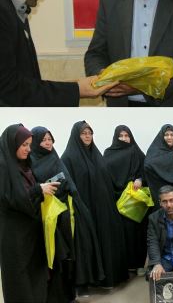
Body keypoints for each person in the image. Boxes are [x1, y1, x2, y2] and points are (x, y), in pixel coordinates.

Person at [0, 0, 115, 107]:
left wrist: (73, 86)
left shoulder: (15, 6)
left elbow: (25, 83)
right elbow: (9, 89)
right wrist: (77, 89)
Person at [31, 126, 104, 299]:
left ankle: (77, 285)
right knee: (57, 253)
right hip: (49, 213)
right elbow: (36, 186)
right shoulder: (31, 161)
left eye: (50, 139)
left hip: (67, 207)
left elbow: (68, 180)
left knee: (76, 246)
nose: (48, 143)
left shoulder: (55, 157)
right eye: (44, 140)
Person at [61, 121, 128, 288]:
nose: (87, 136)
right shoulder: (68, 158)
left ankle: (110, 278)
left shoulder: (97, 155)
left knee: (107, 240)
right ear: (76, 135)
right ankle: (93, 281)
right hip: (85, 209)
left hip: (104, 208)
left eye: (90, 133)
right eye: (84, 133)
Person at [0, 124, 60, 303]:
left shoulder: (25, 164)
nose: (28, 149)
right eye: (24, 145)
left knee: (36, 278)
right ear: (13, 144)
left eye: (29, 145)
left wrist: (41, 189)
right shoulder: (3, 167)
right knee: (20, 281)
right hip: (15, 236)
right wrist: (38, 190)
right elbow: (13, 198)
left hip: (32, 233)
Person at [103, 125, 147, 274]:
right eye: (120, 136)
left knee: (137, 233)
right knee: (121, 233)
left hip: (134, 200)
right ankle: (125, 265)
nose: (124, 139)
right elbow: (104, 174)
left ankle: (139, 264)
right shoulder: (108, 153)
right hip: (116, 200)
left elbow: (145, 169)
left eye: (126, 135)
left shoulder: (136, 151)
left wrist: (140, 179)